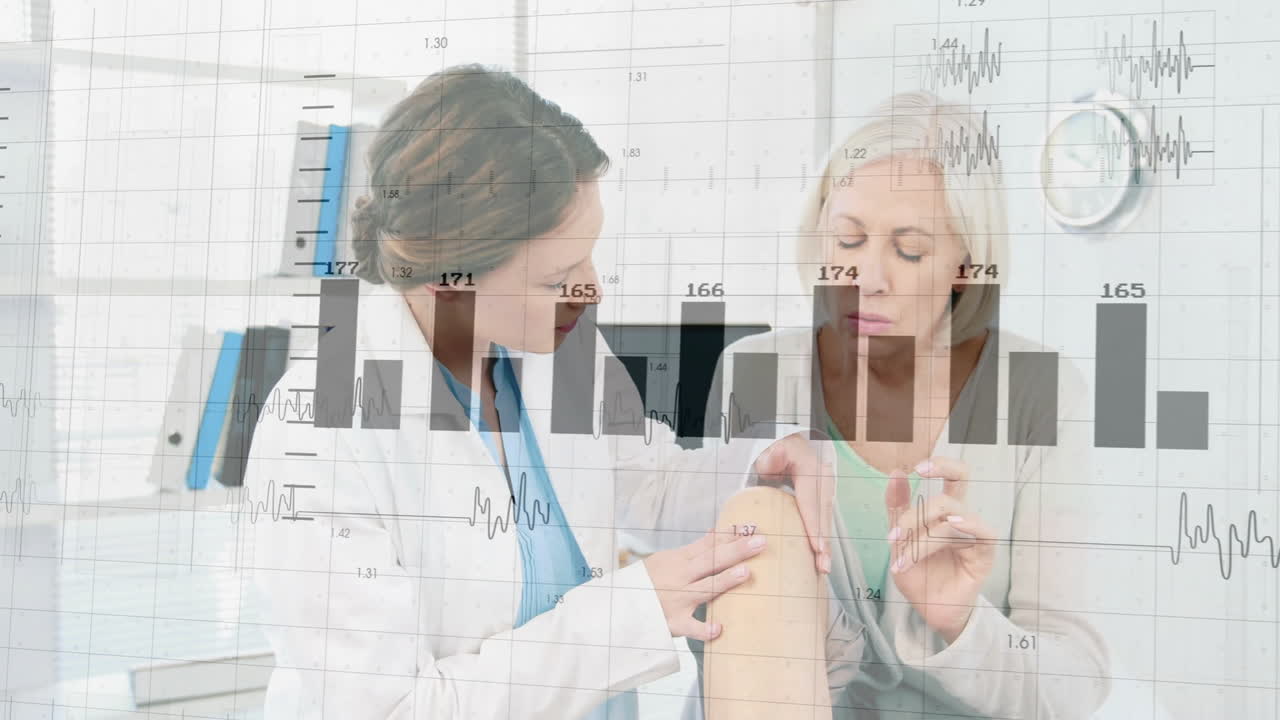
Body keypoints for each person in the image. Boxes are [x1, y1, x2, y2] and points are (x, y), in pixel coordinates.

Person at [243, 63, 841, 719]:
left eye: (589, 257)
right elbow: (392, 709)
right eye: (558, 276)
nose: (591, 291)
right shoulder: (319, 430)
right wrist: (628, 618)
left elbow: (647, 484)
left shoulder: (561, 347)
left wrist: (754, 463)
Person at [690, 92, 1112, 719]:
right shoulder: (756, 374)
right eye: (849, 240)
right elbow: (716, 626)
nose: (866, 277)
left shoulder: (1040, 395)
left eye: (909, 250)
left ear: (966, 264)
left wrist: (961, 624)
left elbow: (1073, 682)